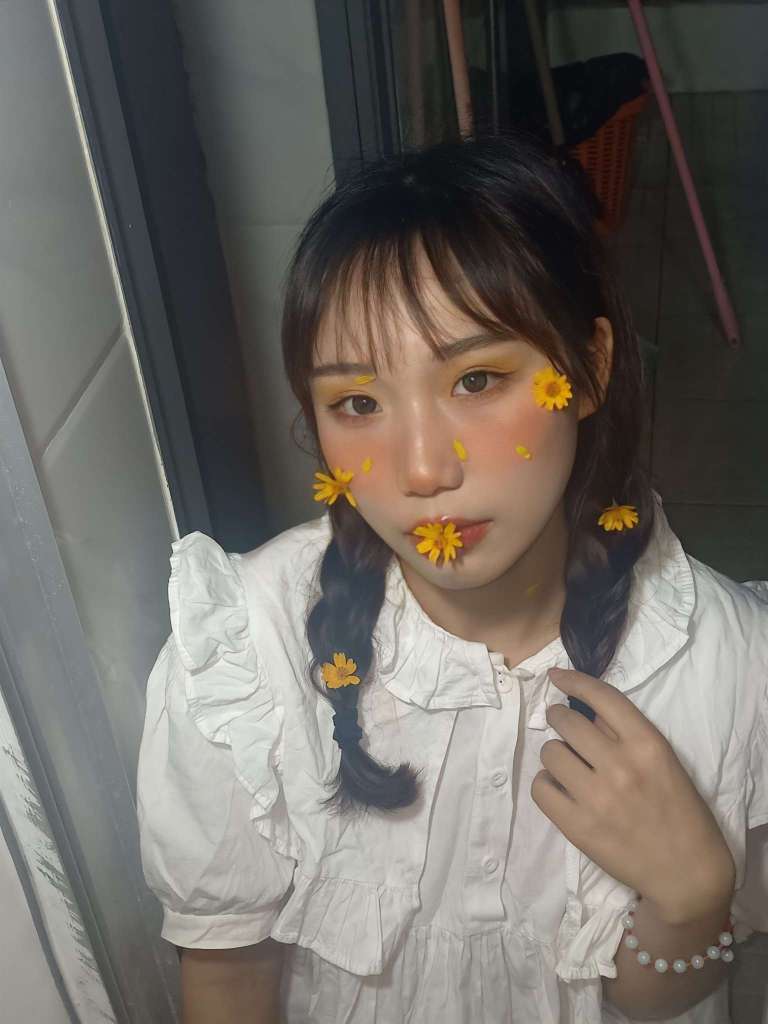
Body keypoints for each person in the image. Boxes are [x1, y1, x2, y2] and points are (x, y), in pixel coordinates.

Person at [136, 132, 768, 1024]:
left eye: (476, 380)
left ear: (588, 368)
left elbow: (649, 999)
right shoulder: (250, 653)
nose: (423, 469)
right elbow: (230, 980)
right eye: (358, 403)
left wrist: (693, 897)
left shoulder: (726, 661)